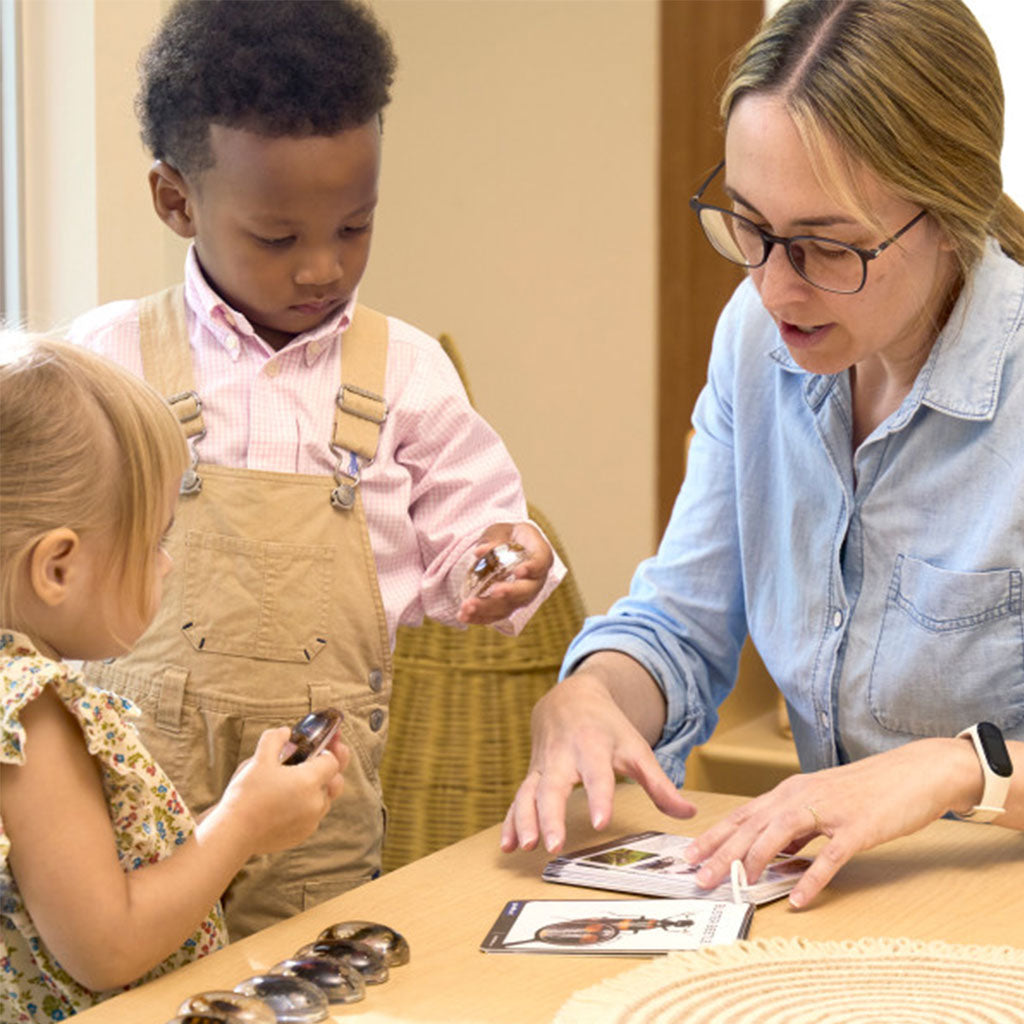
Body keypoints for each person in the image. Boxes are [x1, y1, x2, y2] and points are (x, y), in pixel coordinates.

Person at [502, 0, 1024, 908]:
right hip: (848, 911)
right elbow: (681, 623)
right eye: (750, 226)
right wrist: (590, 697)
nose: (774, 286)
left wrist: (954, 770)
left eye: (826, 247)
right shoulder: (758, 340)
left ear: (949, 215)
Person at [69, 0, 564, 938]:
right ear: (177, 200)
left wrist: (503, 561)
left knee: (307, 978)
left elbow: (478, 529)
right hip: (128, 793)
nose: (323, 269)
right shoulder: (104, 361)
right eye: (278, 237)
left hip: (315, 796)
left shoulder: (406, 371)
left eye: (354, 228)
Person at [0, 338, 349, 1023]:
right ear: (58, 568)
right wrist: (243, 824)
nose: (164, 566)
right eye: (155, 541)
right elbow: (107, 944)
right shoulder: (32, 717)